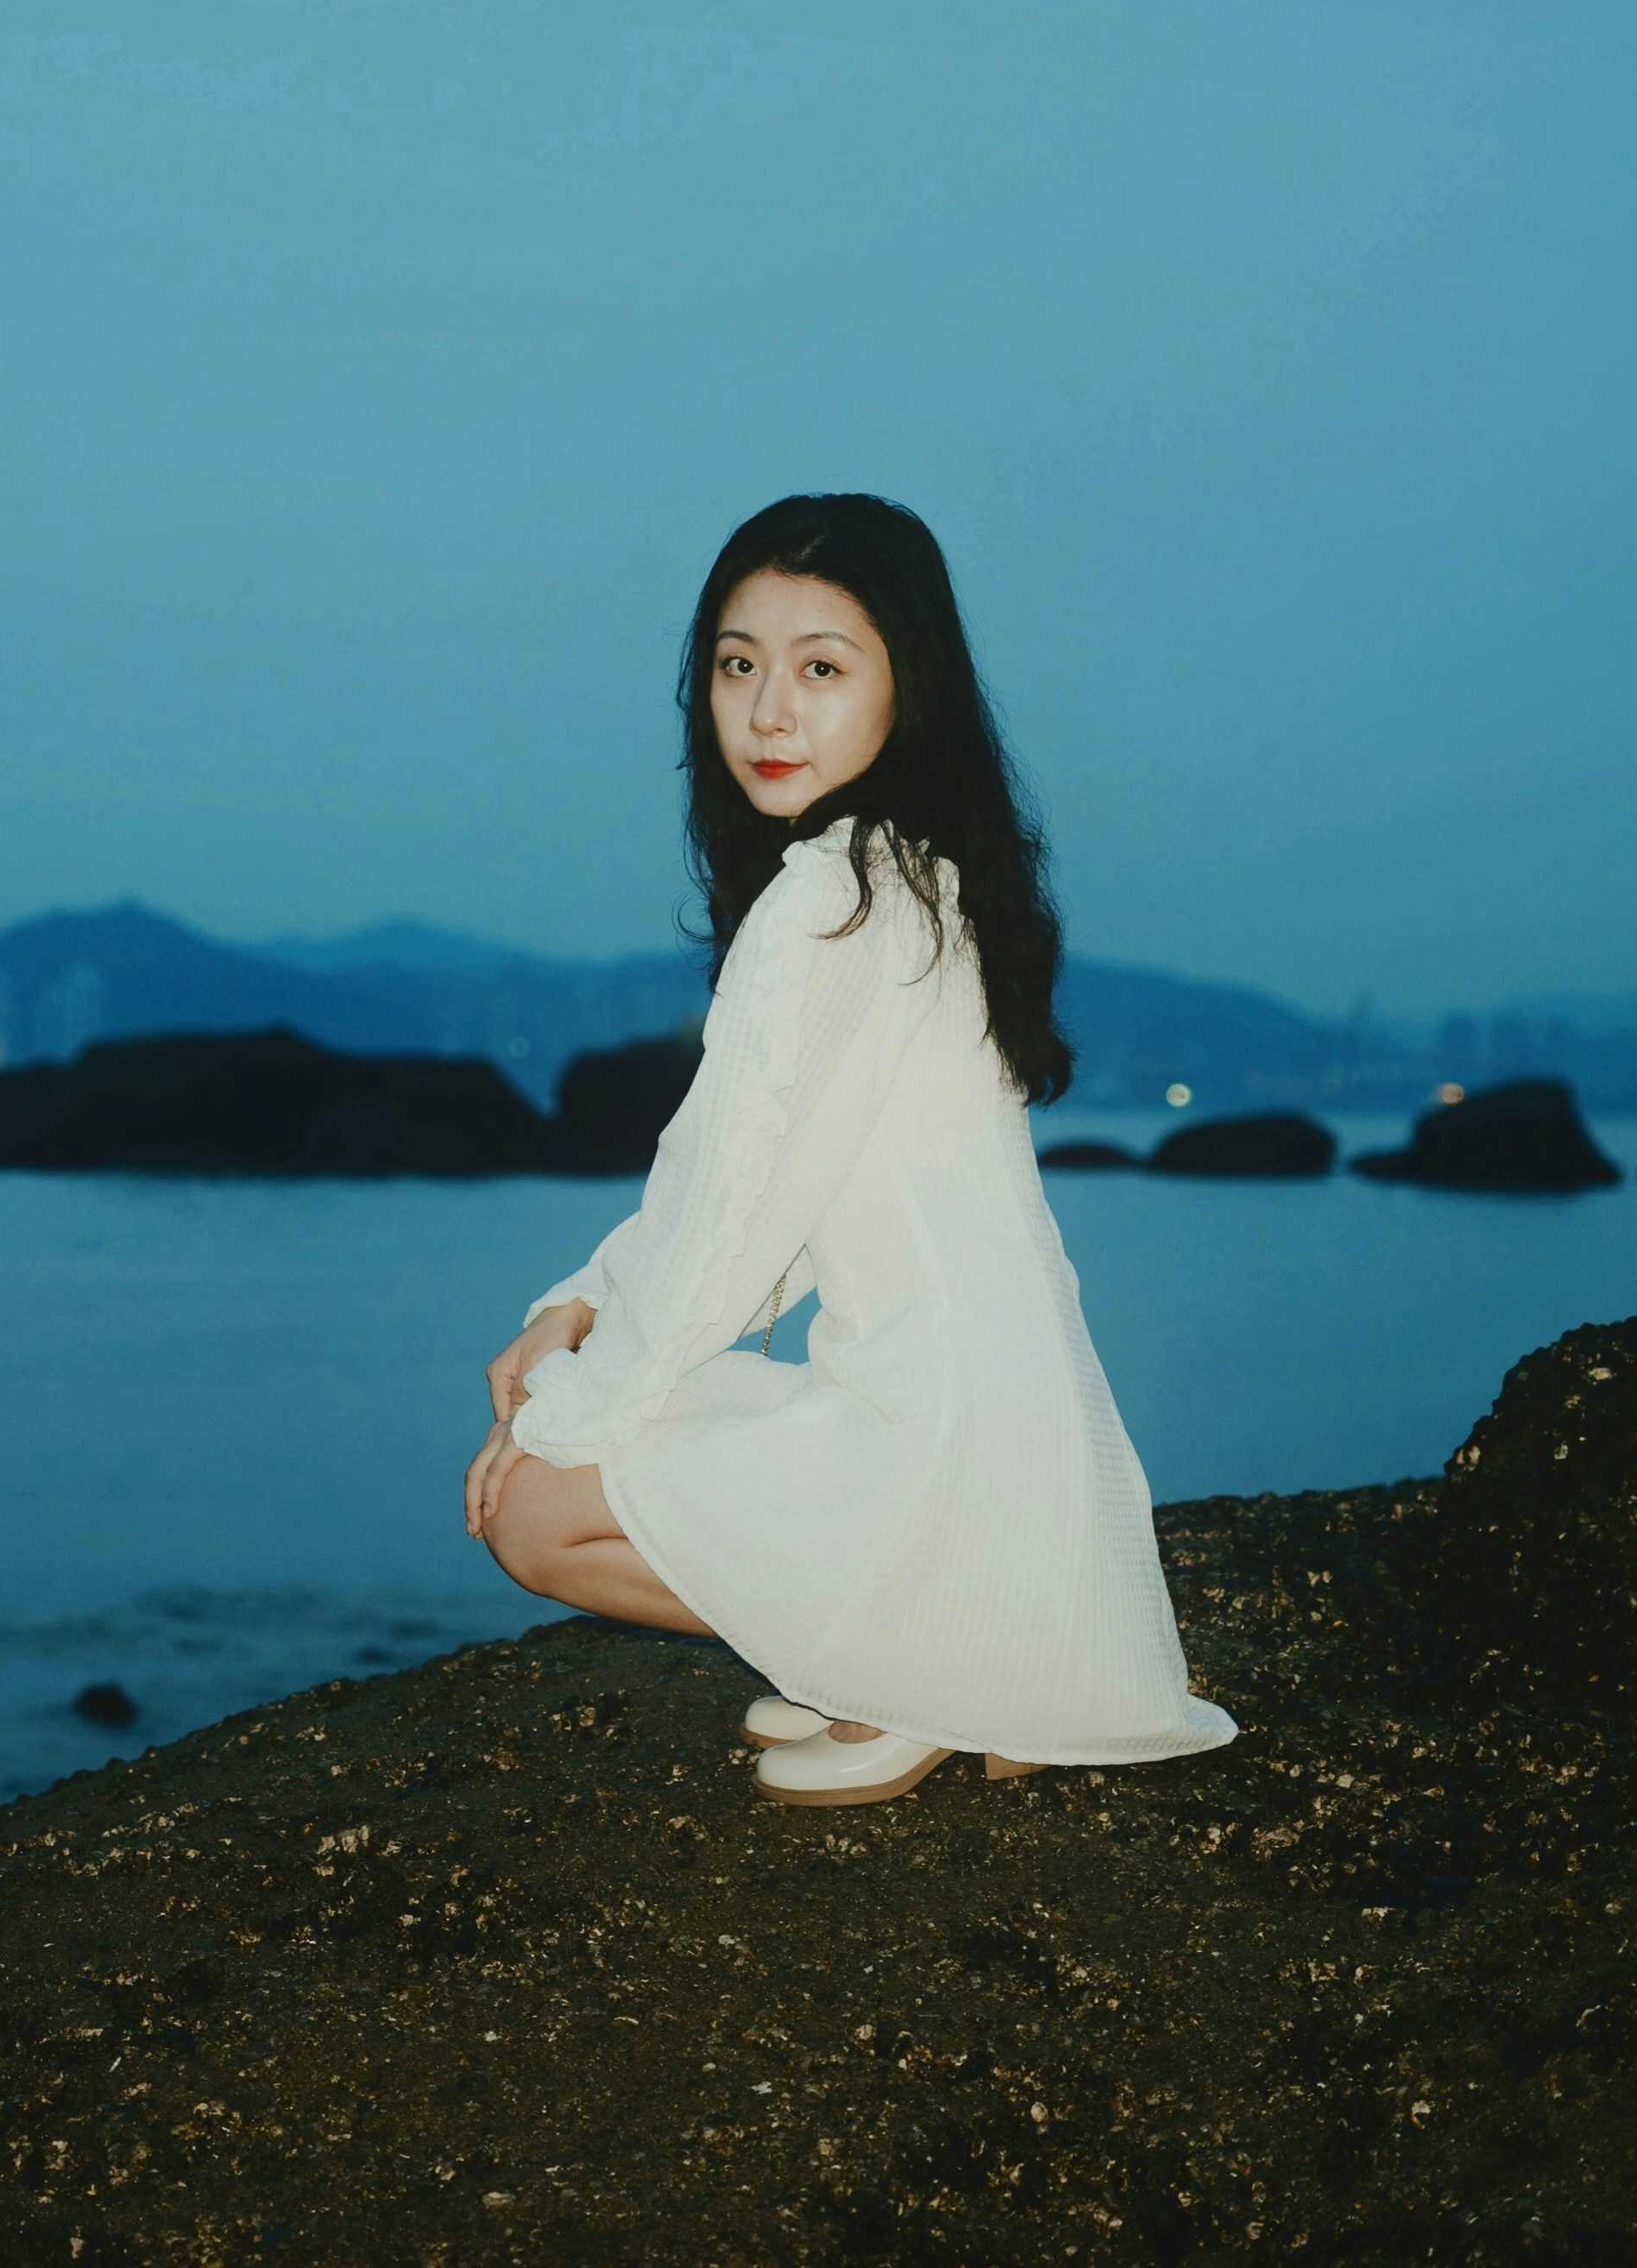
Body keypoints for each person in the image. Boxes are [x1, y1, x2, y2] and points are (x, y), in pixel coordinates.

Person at [463, 493, 1238, 1805]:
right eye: (736, 664)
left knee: (532, 1510)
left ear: (906, 689)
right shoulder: (914, 877)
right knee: (616, 1425)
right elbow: (752, 1197)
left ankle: (925, 1664)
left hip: (938, 1447)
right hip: (999, 1436)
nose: (767, 712)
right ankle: (917, 1639)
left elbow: (727, 1232)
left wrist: (564, 1401)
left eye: (822, 667)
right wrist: (581, 1311)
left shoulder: (832, 898)